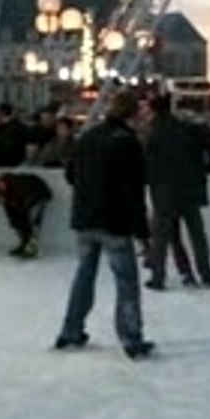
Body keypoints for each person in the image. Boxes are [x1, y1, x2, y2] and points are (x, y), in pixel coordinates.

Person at [55, 90, 154, 360]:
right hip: (114, 221)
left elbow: (70, 174)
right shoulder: (127, 143)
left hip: (85, 218)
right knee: (126, 282)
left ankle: (71, 331)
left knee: (83, 277)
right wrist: (143, 232)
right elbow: (132, 191)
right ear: (132, 114)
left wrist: (88, 191)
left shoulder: (88, 136)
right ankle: (131, 338)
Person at [143, 95, 210, 290]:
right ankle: (206, 274)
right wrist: (208, 167)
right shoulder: (188, 128)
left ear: (154, 110)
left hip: (164, 190)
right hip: (191, 188)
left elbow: (144, 162)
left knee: (161, 236)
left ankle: (158, 277)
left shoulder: (153, 133)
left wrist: (149, 180)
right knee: (197, 234)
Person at [0, 172, 53, 259]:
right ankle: (24, 244)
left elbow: (27, 201)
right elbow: (10, 213)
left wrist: (23, 215)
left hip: (40, 194)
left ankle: (32, 247)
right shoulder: (5, 195)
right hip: (25, 199)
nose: (0, 203)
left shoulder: (16, 185)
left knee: (30, 221)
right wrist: (14, 223)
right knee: (18, 221)